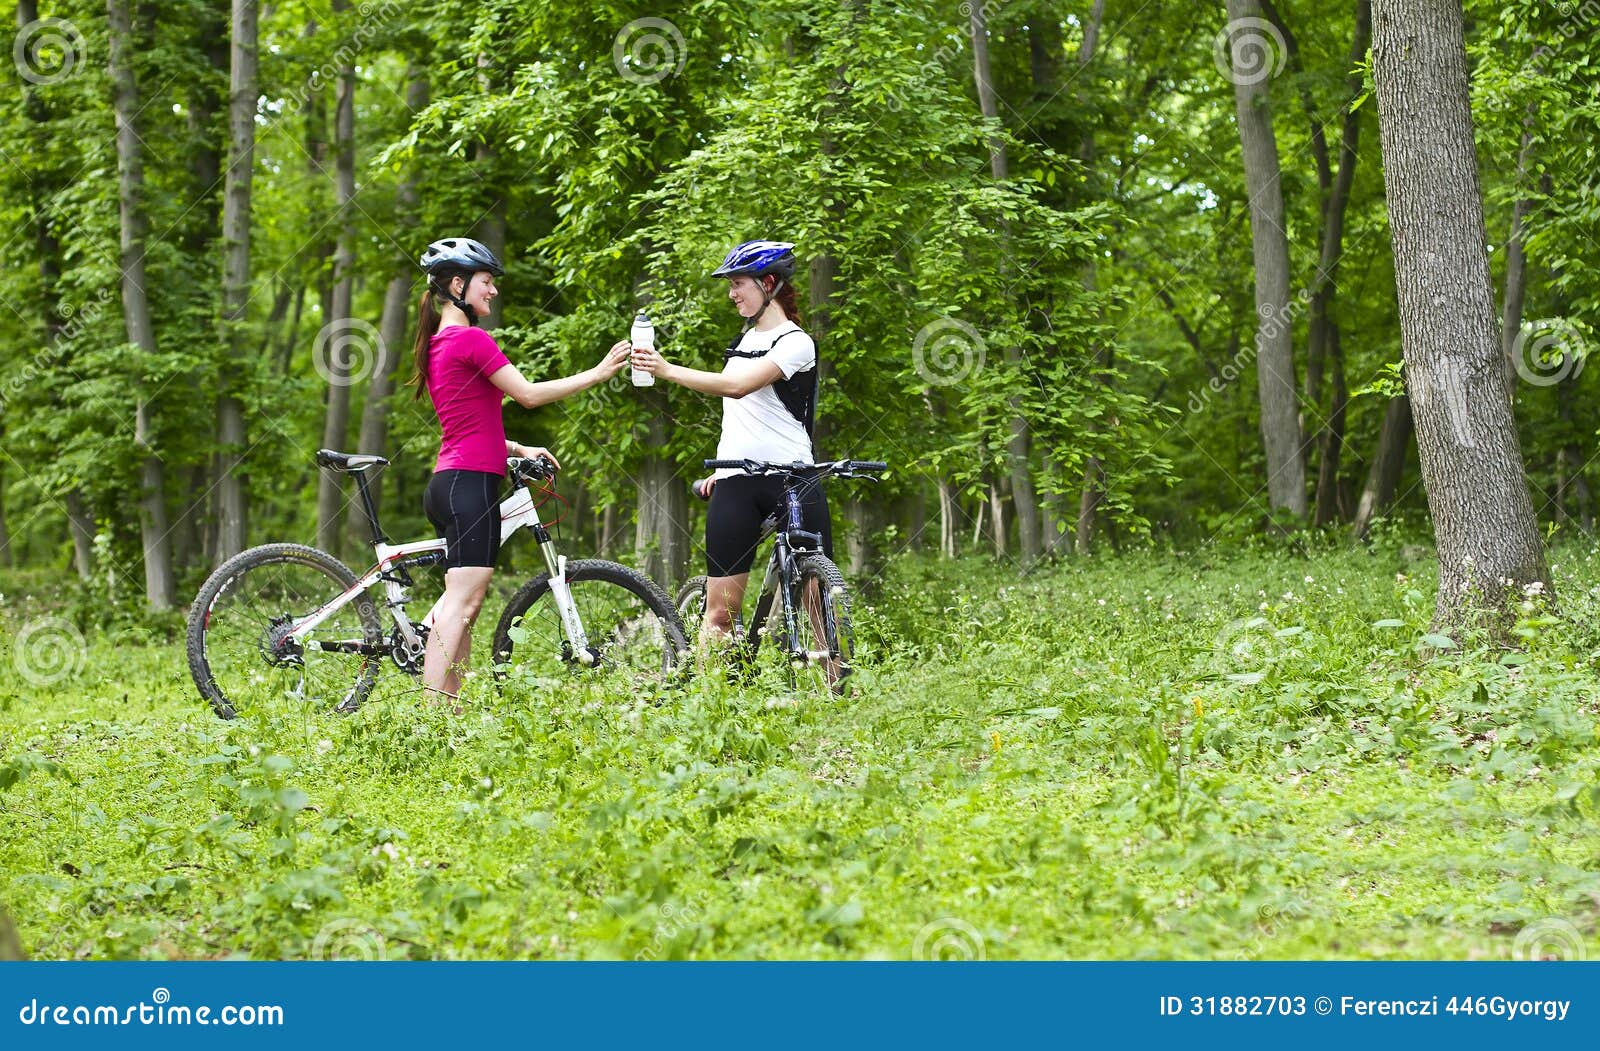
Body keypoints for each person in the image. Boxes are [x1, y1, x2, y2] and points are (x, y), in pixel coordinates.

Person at [409, 236, 629, 699]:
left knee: (464, 605)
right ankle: (427, 717)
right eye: (486, 282)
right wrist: (599, 372)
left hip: (453, 480)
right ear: (457, 285)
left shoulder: (438, 343)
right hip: (468, 484)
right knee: (460, 605)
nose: (492, 291)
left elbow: (466, 424)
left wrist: (515, 448)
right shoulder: (470, 338)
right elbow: (527, 395)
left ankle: (452, 714)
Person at [628, 239, 831, 644]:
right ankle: (710, 698)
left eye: (739, 284)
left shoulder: (795, 342)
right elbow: (739, 417)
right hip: (738, 481)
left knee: (817, 599)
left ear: (768, 283)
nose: (732, 293)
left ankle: (838, 691)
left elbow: (737, 388)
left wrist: (666, 369)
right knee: (720, 612)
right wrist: (724, 467)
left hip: (794, 479)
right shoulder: (742, 342)